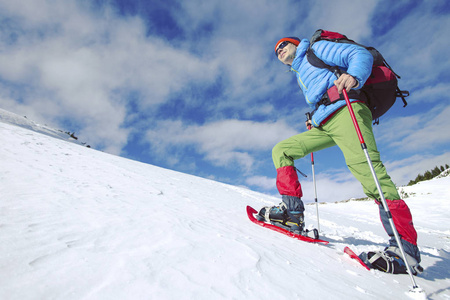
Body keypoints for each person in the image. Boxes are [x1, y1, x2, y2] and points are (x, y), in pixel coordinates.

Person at [257, 35, 422, 274]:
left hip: (347, 110)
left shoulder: (315, 49)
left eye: (284, 44)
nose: (280, 50)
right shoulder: (300, 71)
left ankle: (405, 249)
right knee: (281, 150)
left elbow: (359, 55)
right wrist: (315, 119)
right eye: (276, 51)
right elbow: (323, 95)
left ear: (296, 43)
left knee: (367, 170)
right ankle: (292, 214)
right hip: (325, 123)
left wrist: (354, 76)